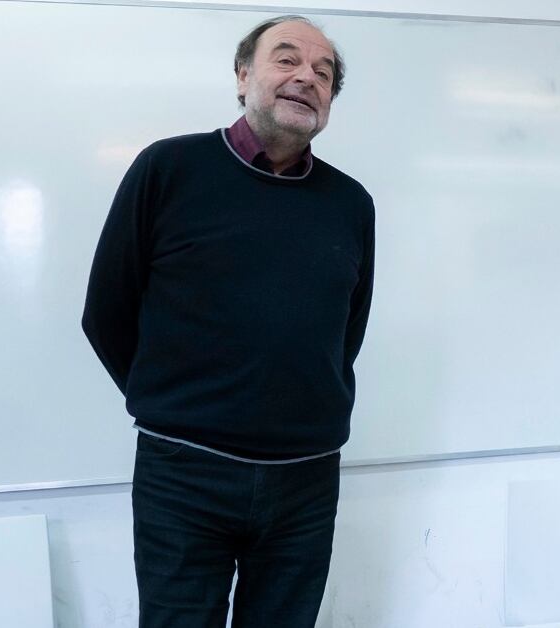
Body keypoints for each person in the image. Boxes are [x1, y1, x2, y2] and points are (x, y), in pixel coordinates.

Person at [82, 15, 374, 628]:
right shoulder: (168, 169)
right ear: (243, 77)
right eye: (287, 60)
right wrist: (178, 403)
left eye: (324, 74)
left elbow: (344, 334)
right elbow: (106, 311)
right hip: (184, 473)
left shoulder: (352, 204)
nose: (307, 78)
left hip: (306, 479)